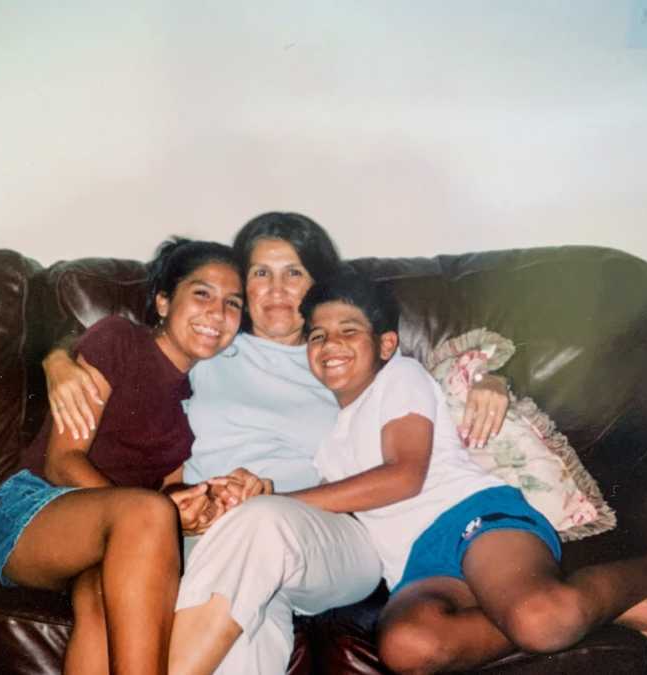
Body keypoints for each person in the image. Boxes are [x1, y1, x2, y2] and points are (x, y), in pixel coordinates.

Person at [42, 212, 511, 674]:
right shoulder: (210, 344)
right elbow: (128, 346)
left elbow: (428, 385)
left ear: (317, 282)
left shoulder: (338, 355)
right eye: (261, 273)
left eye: (294, 273)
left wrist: (493, 380)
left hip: (325, 538)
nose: (277, 289)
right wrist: (57, 358)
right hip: (209, 538)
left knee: (258, 521)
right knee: (245, 634)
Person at [295, 270, 647, 675]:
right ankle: (595, 609)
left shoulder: (400, 378)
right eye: (317, 335)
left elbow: (403, 476)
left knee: (542, 623)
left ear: (386, 344)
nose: (330, 343)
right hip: (416, 566)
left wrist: (276, 500)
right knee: (408, 647)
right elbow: (328, 509)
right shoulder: (328, 446)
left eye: (347, 330)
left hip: (474, 518)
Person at [0, 238, 248, 675]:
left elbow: (165, 488)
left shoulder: (196, 398)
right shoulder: (119, 340)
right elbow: (62, 461)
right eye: (202, 294)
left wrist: (186, 507)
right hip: (31, 510)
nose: (218, 314)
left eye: (233, 303)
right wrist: (150, 517)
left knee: (105, 614)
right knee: (145, 515)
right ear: (162, 301)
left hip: (109, 538)